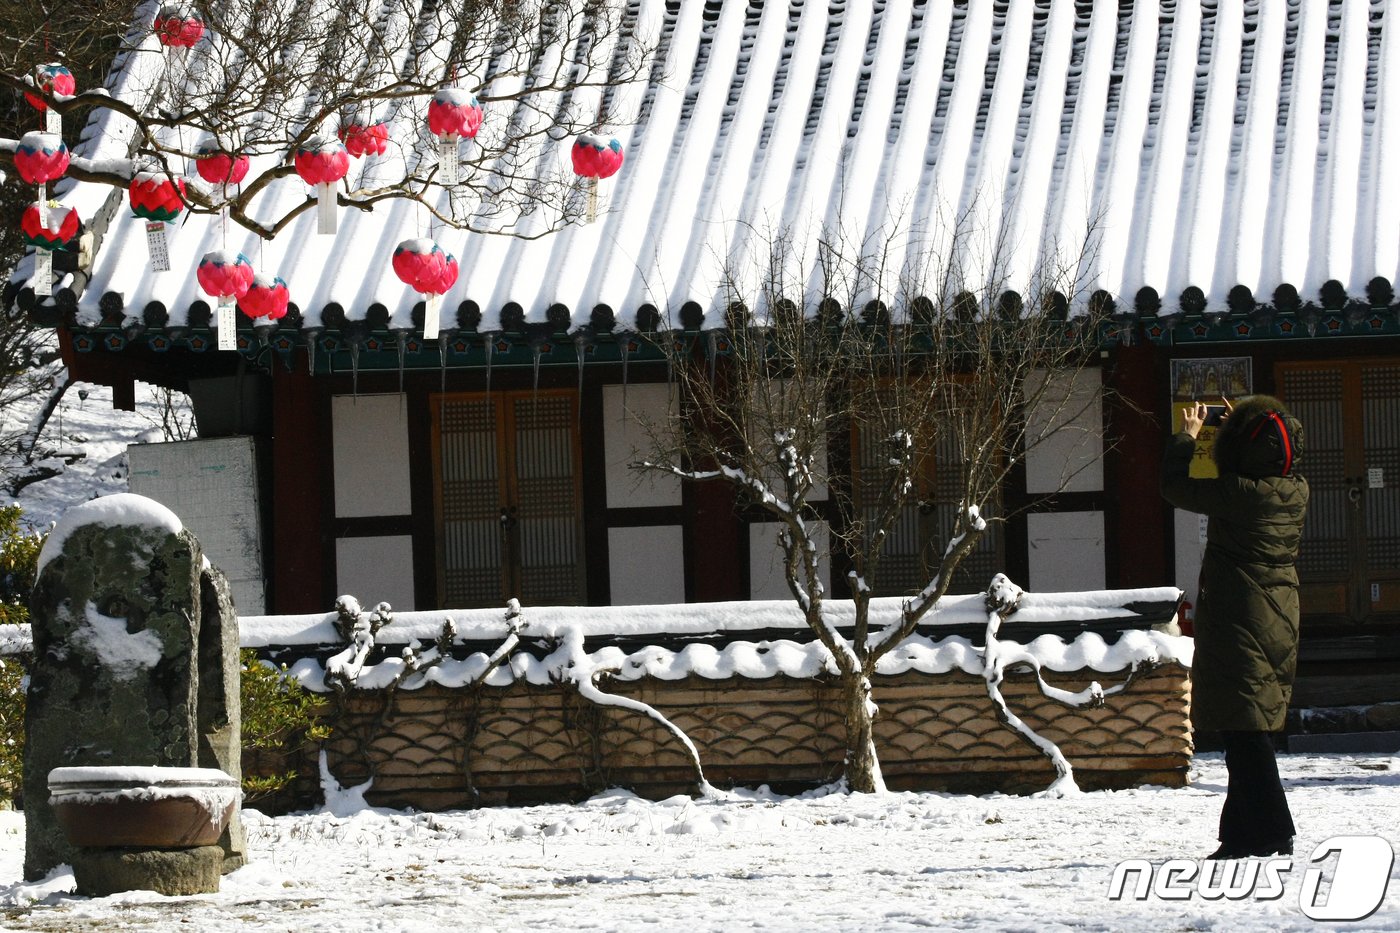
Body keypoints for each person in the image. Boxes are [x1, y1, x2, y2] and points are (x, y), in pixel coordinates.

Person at [1160, 394, 1308, 860]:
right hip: (1275, 612)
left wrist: (1188, 435)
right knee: (1244, 727)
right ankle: (1241, 836)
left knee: (1245, 732)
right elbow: (1268, 443)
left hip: (1243, 615)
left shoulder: (1240, 494)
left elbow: (1175, 486)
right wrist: (1245, 422)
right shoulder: (1295, 490)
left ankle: (1273, 832)